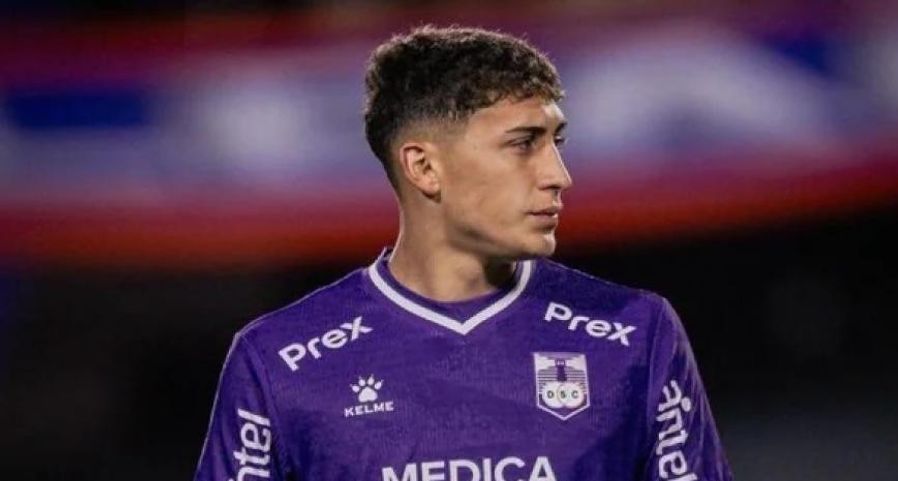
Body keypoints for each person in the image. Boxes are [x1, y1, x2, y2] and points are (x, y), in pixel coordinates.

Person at [194, 25, 733, 481]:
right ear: (424, 167)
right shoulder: (278, 361)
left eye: (557, 142)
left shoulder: (635, 333)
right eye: (523, 144)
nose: (558, 175)